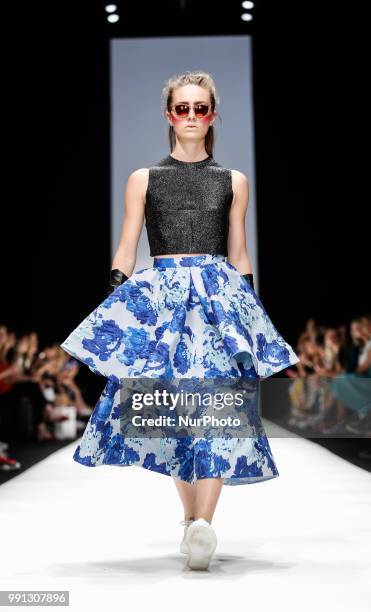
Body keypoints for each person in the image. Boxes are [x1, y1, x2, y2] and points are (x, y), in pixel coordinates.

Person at [60, 70, 300, 571]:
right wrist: (115, 301)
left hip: (217, 297)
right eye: (182, 107)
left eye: (200, 107)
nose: (191, 116)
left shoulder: (234, 181)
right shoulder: (143, 179)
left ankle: (203, 524)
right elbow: (128, 245)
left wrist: (249, 309)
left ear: (212, 115)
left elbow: (238, 249)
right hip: (163, 296)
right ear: (169, 115)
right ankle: (193, 522)